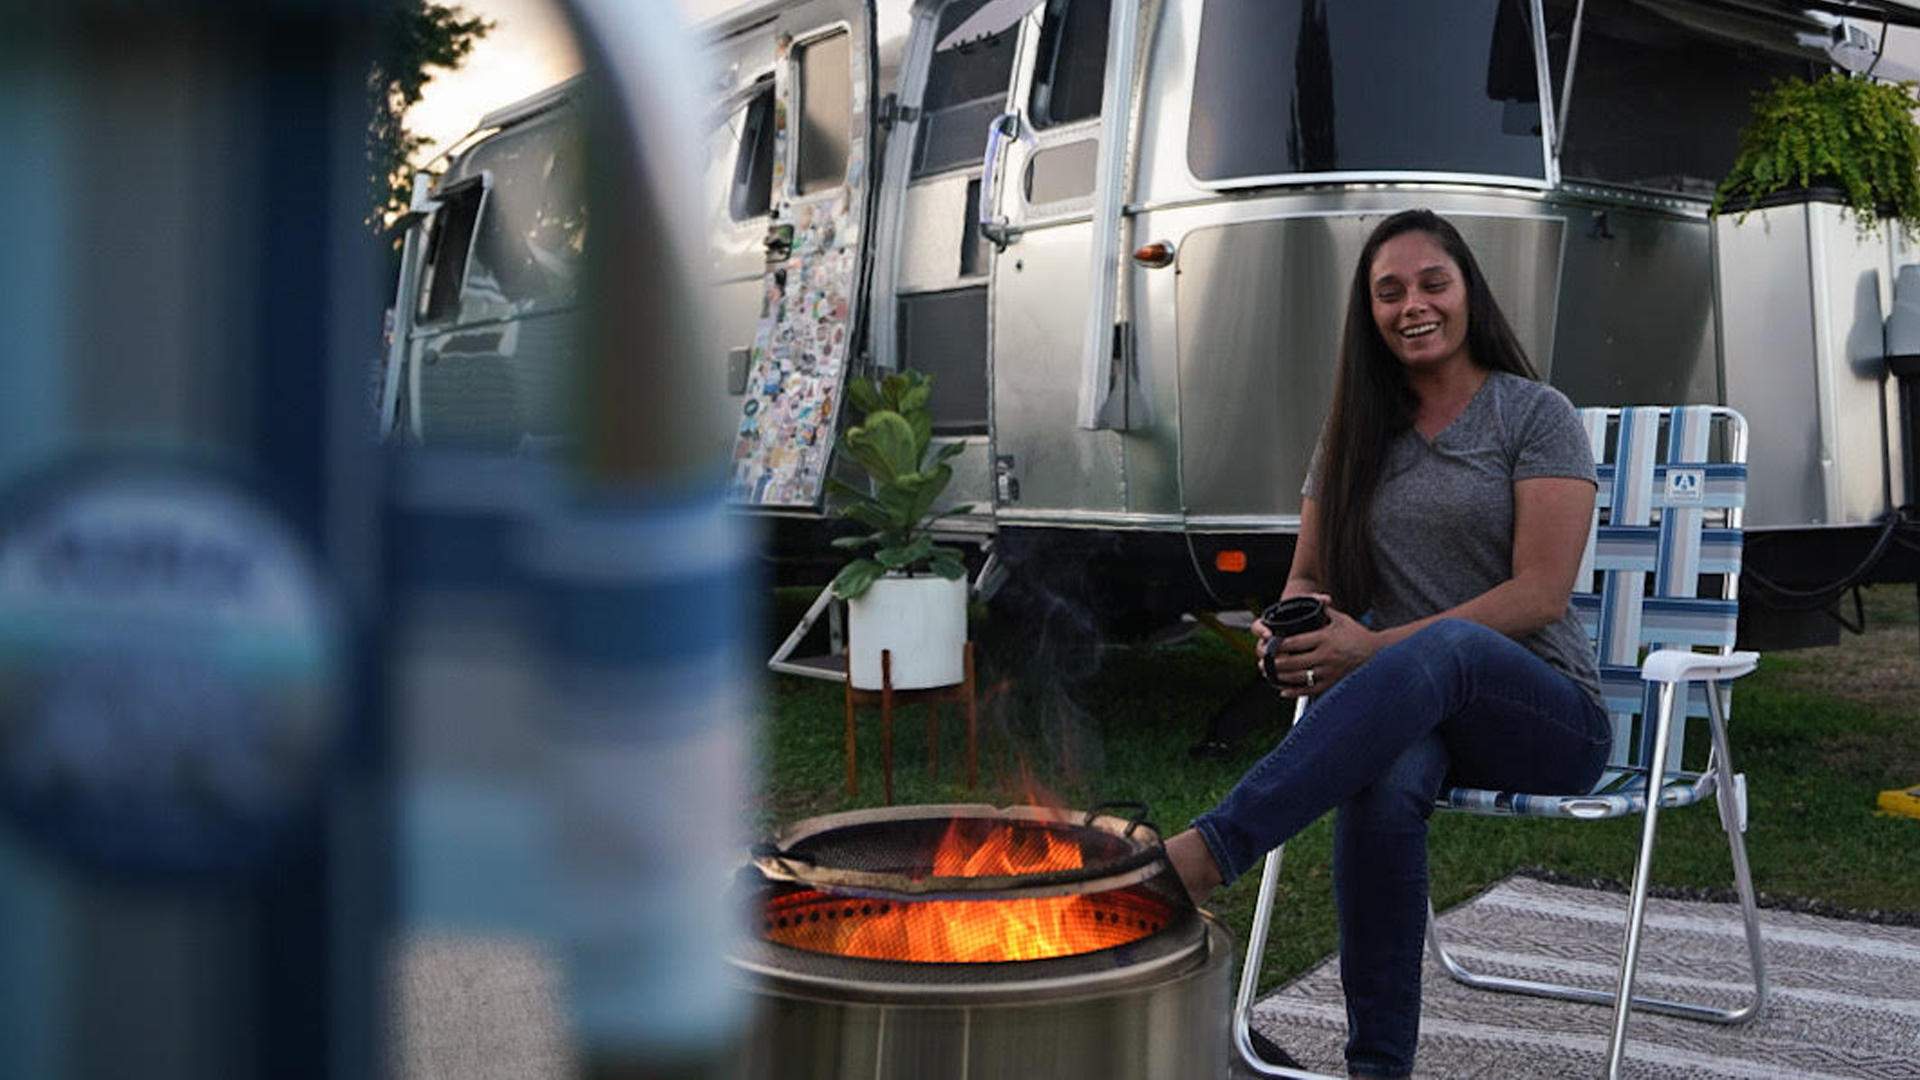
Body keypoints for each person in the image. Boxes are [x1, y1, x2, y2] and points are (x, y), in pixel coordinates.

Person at [1161, 209, 1611, 1080]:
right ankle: (1377, 1068)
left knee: (1440, 651)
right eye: (1389, 291)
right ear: (1369, 313)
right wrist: (1285, 631)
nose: (1414, 305)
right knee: (1383, 781)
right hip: (1419, 721)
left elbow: (1539, 594)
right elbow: (1307, 578)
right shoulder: (1355, 433)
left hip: (1546, 715)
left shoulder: (1534, 415)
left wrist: (1369, 650)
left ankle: (1207, 855)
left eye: (1431, 283)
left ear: (1468, 291)